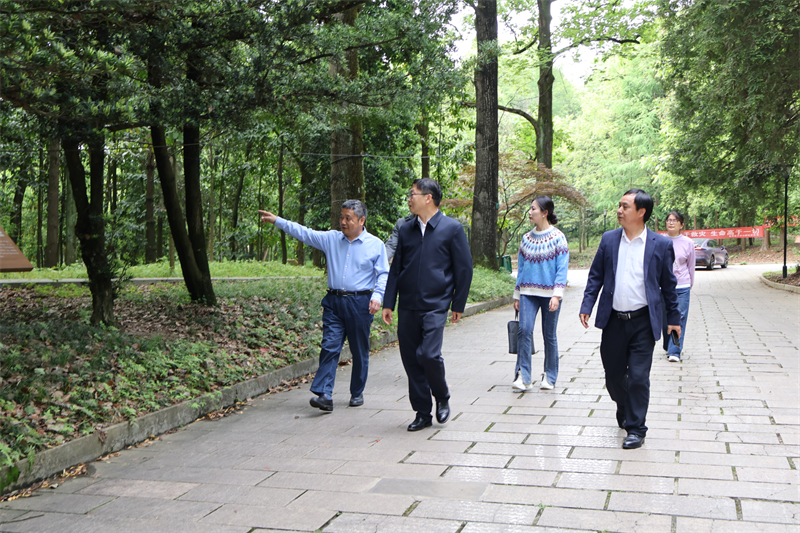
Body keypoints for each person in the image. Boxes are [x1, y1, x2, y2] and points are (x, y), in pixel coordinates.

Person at [258, 200, 389, 412]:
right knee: (329, 346)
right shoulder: (331, 239)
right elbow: (304, 233)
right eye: (341, 217)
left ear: (361, 220)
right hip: (334, 302)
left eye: (348, 218)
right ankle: (325, 394)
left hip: (360, 303)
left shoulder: (375, 245)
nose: (343, 222)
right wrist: (277, 221)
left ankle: (357, 392)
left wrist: (378, 296)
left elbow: (383, 273)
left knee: (359, 350)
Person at [579, 189, 681, 450]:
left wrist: (674, 318)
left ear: (641, 212)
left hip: (643, 322)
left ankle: (636, 428)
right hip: (614, 321)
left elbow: (669, 285)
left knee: (638, 376)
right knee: (613, 377)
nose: (619, 210)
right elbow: (595, 276)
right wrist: (587, 304)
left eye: (625, 206)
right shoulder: (609, 239)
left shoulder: (661, 244)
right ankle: (624, 406)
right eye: (620, 205)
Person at [382, 178, 473, 431]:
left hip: (436, 303)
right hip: (408, 304)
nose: (409, 199)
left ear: (428, 198)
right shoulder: (406, 229)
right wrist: (389, 302)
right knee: (411, 359)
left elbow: (464, 269)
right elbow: (396, 269)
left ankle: (441, 396)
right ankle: (422, 413)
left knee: (429, 354)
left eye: (412, 194)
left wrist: (458, 304)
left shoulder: (452, 228)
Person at [512, 196, 569, 392]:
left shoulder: (558, 237)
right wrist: (517, 295)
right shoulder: (526, 238)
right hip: (527, 293)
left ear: (545, 212)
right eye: (530, 208)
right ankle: (523, 376)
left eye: (533, 209)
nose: (530, 212)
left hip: (550, 294)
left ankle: (550, 376)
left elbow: (562, 269)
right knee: (524, 331)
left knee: (549, 335)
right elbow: (521, 268)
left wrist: (557, 295)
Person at [662, 211, 695, 362]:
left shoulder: (688, 243)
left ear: (681, 225)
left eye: (675, 220)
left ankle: (674, 351)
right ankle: (668, 344)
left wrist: (689, 284)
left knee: (679, 317)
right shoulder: (660, 241)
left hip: (682, 286)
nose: (671, 222)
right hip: (664, 287)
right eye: (669, 220)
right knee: (664, 320)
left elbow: (691, 266)